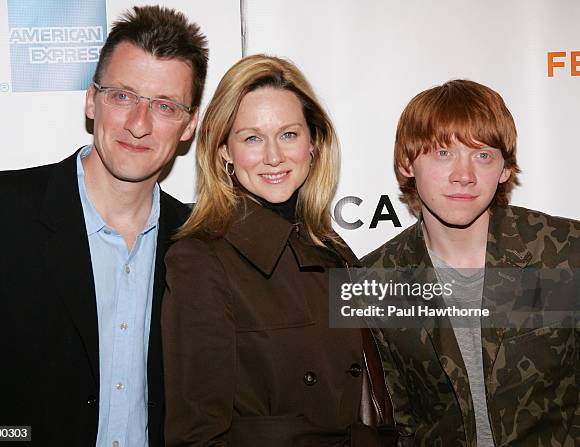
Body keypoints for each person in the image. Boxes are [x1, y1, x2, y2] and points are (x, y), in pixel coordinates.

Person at [0, 6, 208, 446]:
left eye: (165, 105)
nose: (139, 124)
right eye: (122, 96)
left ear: (190, 124)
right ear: (90, 100)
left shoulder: (201, 244)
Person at [161, 54, 396, 446]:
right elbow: (196, 435)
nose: (274, 156)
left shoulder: (329, 246)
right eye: (252, 137)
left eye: (288, 134)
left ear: (314, 142)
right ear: (224, 150)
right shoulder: (201, 260)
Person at [362, 80, 580, 446]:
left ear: (505, 169)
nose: (464, 175)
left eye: (483, 155)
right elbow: (396, 427)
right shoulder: (373, 281)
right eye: (443, 153)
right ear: (407, 163)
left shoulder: (566, 252)